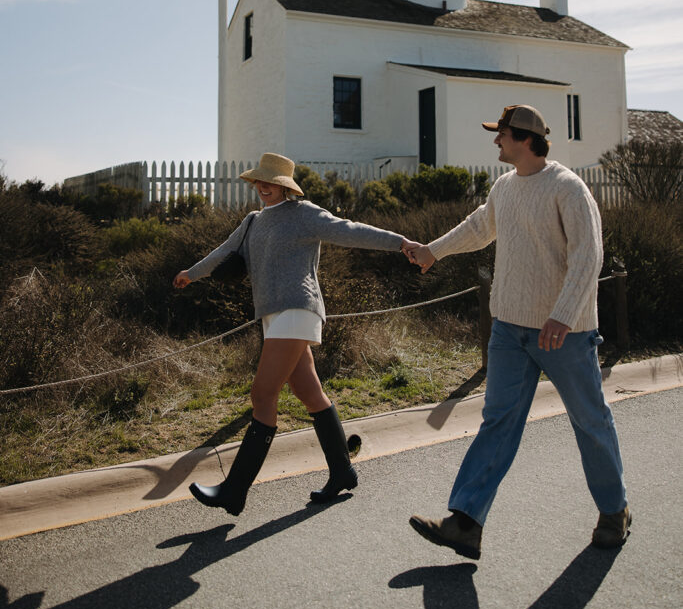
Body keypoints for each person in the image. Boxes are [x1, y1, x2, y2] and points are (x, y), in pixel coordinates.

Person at [403, 105, 630, 559]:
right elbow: (478, 228)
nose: (496, 142)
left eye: (501, 134)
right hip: (508, 328)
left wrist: (563, 314)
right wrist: (433, 251)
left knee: (589, 420)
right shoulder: (504, 187)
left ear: (525, 138)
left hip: (563, 333)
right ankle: (465, 522)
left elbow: (589, 256)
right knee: (499, 421)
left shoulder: (568, 188)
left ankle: (613, 511)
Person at [174, 152, 418, 518]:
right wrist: (192, 274)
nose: (262, 187)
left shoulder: (304, 213)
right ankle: (342, 471)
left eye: (270, 182)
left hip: (298, 309)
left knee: (262, 393)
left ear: (285, 186)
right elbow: (224, 252)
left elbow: (350, 231)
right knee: (309, 393)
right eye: (259, 181)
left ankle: (234, 491)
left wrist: (400, 241)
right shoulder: (253, 222)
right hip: (274, 316)